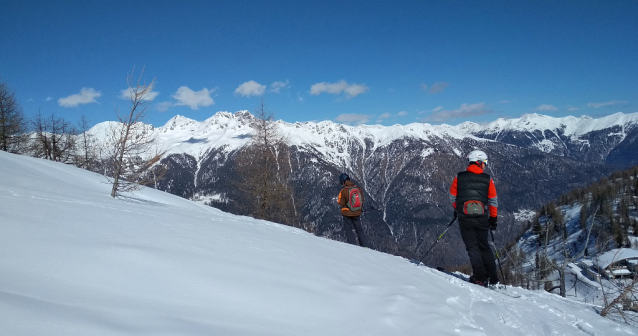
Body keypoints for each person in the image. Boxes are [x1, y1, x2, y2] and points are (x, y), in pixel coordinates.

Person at [449, 150, 499, 287]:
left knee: (472, 248)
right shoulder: (488, 179)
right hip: (482, 217)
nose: (485, 166)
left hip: (465, 218)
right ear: (479, 162)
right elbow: (493, 201)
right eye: (485, 163)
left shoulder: (458, 177)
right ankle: (493, 277)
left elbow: (452, 196)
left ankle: (480, 278)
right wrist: (493, 219)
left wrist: (458, 209)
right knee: (484, 246)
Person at [337, 173, 369, 247]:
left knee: (349, 230)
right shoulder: (358, 189)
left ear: (343, 182)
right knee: (359, 230)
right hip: (357, 212)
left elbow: (340, 202)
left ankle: (353, 246)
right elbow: (362, 200)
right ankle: (365, 246)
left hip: (347, 213)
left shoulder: (343, 191)